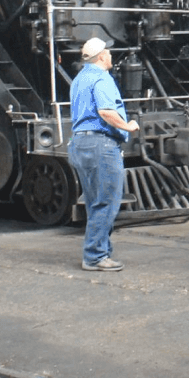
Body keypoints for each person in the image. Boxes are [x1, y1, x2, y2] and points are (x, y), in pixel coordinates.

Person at [68, 37, 140, 272]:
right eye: (108, 52)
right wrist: (127, 126)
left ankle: (100, 250)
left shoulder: (79, 78)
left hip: (81, 143)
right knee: (107, 201)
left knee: (94, 202)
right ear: (101, 57)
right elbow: (106, 111)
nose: (110, 55)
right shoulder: (101, 77)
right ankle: (95, 256)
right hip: (101, 144)